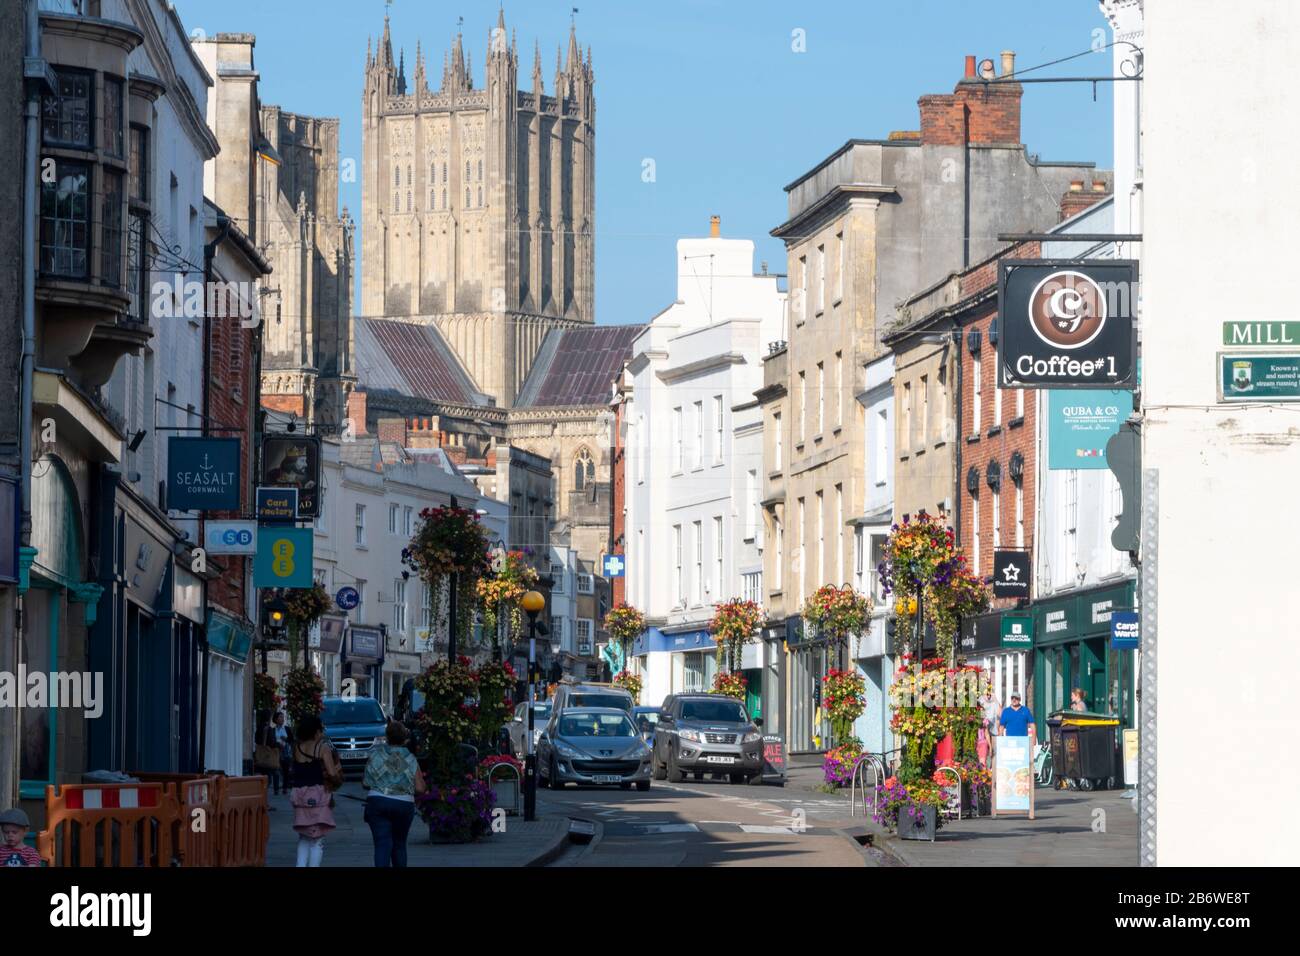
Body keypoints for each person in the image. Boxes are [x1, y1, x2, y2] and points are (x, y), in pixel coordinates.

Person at [362, 721, 427, 868]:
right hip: (403, 804)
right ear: (405, 739)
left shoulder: (375, 755)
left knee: (381, 844)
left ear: (386, 737)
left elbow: (365, 783)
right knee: (399, 844)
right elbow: (420, 788)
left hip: (377, 802)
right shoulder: (410, 759)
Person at [289, 715, 341, 867]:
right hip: (318, 795)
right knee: (317, 840)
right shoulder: (322, 748)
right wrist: (337, 774)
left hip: (299, 795)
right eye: (321, 730)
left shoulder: (297, 747)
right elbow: (331, 773)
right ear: (316, 731)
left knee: (304, 837)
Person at [260, 712, 294, 796]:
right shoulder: (272, 730)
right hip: (276, 751)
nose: (282, 719)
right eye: (280, 717)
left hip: (286, 752)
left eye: (283, 717)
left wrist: (286, 739)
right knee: (276, 770)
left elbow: (292, 740)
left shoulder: (287, 729)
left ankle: (285, 787)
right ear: (275, 719)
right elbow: (270, 741)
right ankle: (276, 789)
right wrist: (276, 743)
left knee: (285, 770)